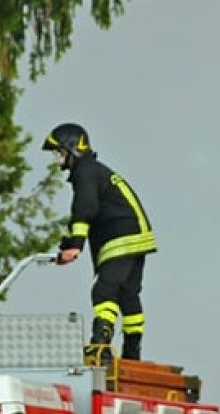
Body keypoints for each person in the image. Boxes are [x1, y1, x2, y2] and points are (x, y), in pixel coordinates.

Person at [41, 122, 157, 362]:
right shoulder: (95, 171)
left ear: (73, 149)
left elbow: (86, 208)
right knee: (128, 295)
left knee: (104, 290)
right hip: (137, 235)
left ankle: (101, 345)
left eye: (59, 152)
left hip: (121, 236)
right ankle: (132, 353)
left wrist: (76, 245)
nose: (57, 159)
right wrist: (71, 241)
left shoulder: (85, 172)